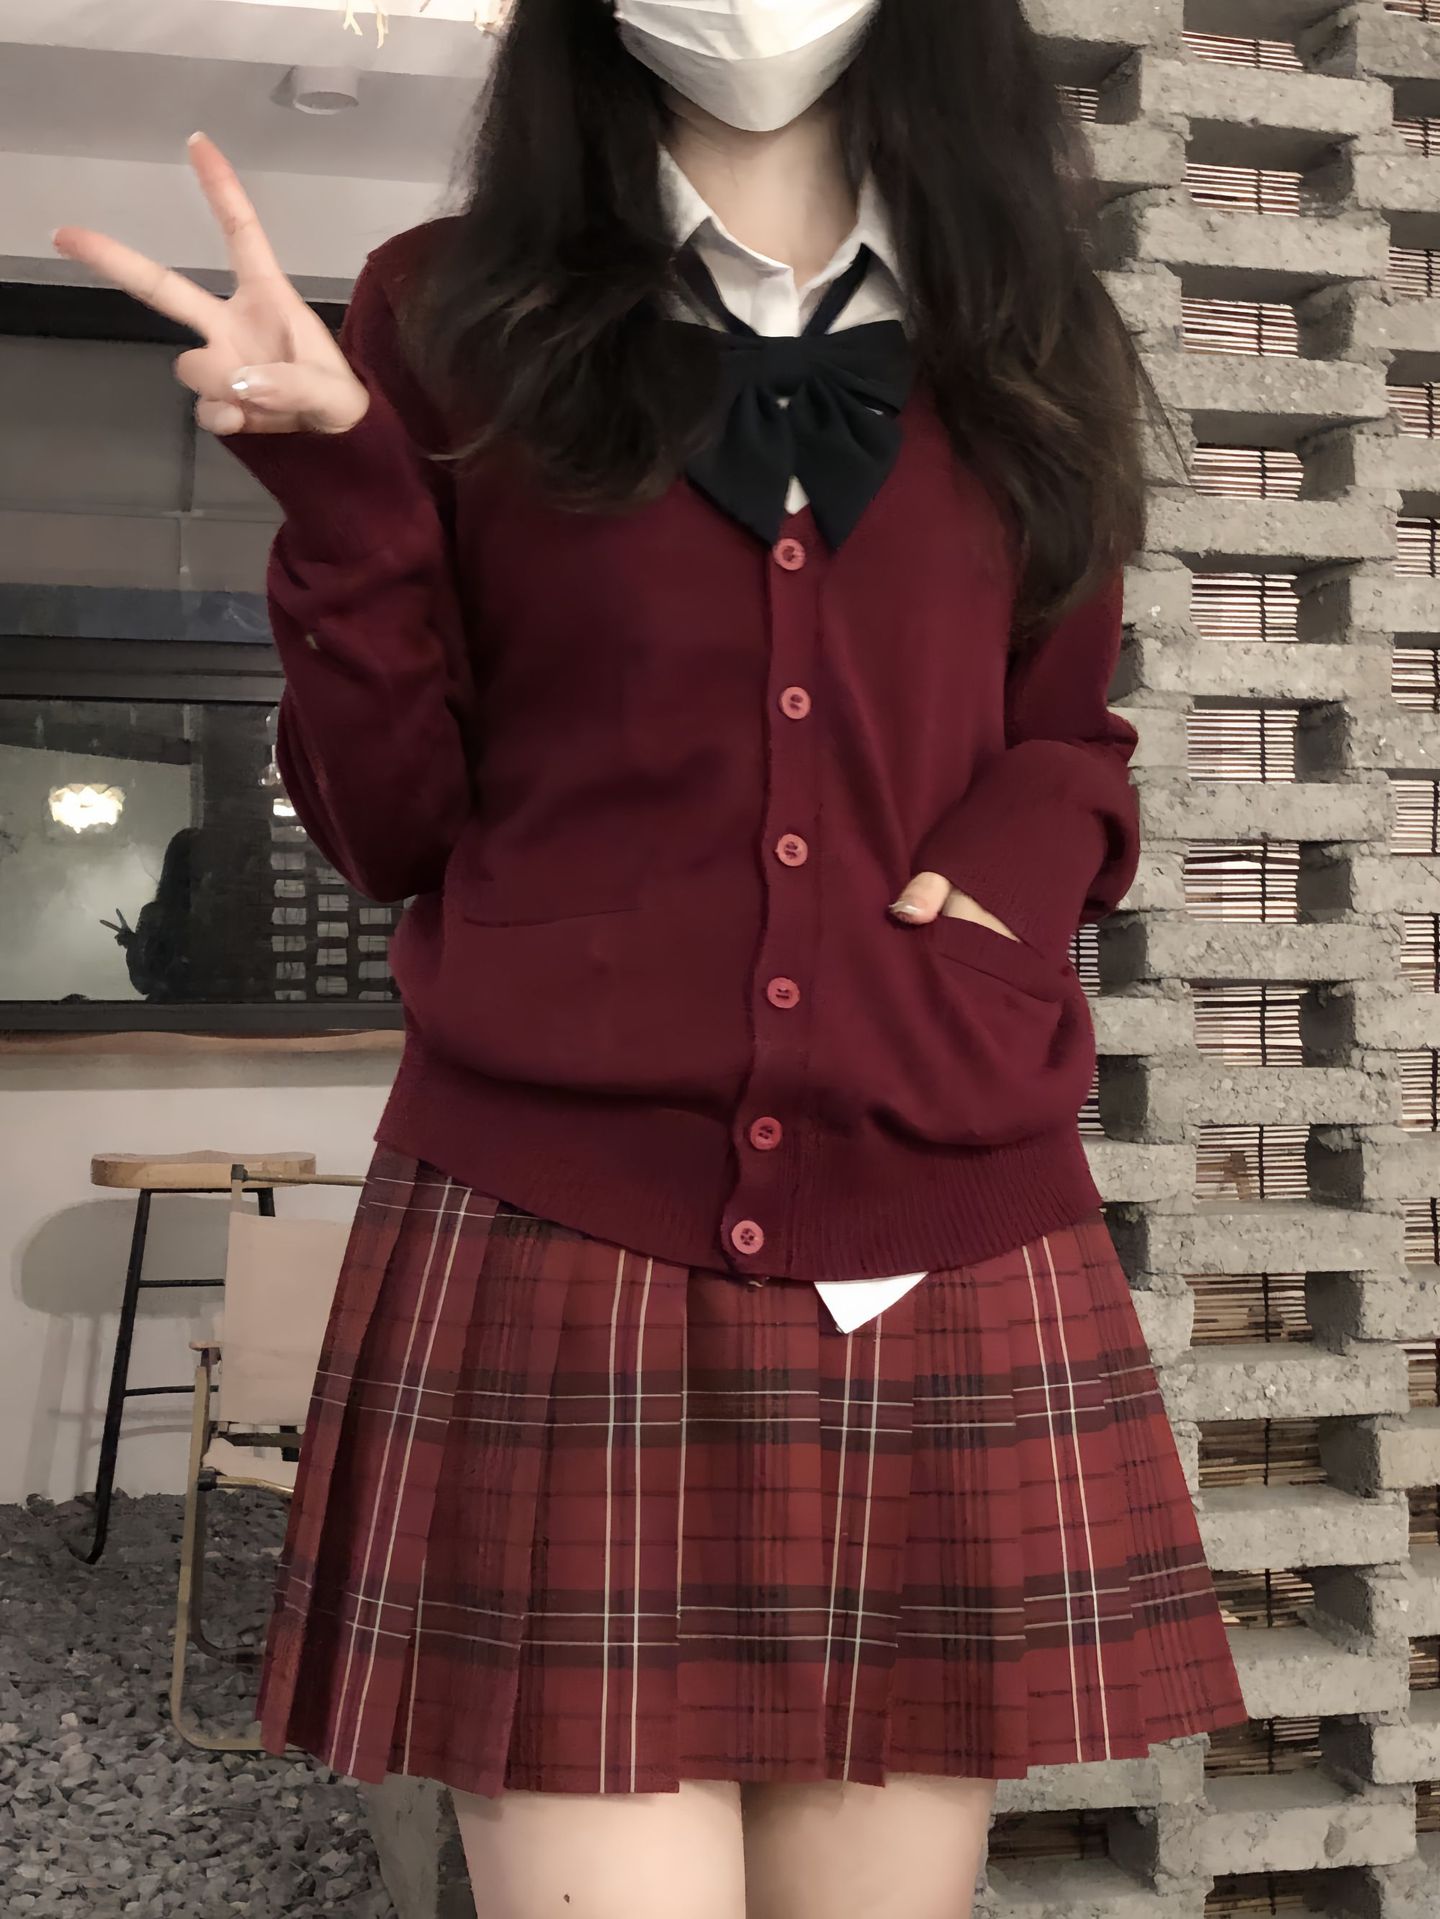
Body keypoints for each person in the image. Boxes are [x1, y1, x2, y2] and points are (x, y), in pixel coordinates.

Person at [55, 3, 1249, 1914]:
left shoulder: (1031, 328)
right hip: (552, 1224)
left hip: (933, 1211)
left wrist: (1001, 891)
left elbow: (1065, 731)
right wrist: (347, 491)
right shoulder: (450, 310)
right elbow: (389, 828)